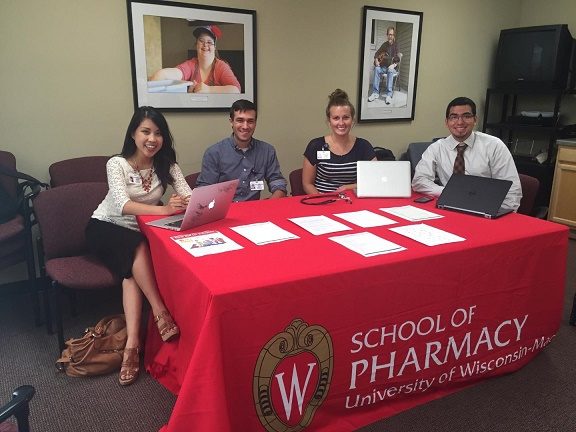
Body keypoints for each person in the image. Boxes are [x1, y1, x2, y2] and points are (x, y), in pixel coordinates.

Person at [85, 106, 192, 386]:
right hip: (105, 226)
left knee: (130, 272)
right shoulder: (116, 164)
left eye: (158, 133)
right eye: (146, 131)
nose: (152, 139)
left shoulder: (166, 164)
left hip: (141, 231)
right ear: (133, 133)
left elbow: (189, 196)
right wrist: (166, 210)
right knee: (137, 248)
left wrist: (194, 204)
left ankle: (132, 345)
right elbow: (122, 205)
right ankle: (159, 311)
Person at [412, 96, 522, 211]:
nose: (460, 122)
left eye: (466, 116)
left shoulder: (494, 146)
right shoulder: (437, 148)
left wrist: (500, 214)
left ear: (475, 120)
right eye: (454, 117)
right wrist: (449, 192)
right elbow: (419, 181)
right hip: (451, 205)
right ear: (447, 122)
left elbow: (512, 190)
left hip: (485, 207)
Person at [196, 99, 288, 201]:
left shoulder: (267, 151)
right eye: (240, 120)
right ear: (231, 122)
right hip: (225, 212)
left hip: (255, 211)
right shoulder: (214, 153)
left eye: (250, 121)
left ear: (255, 123)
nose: (245, 126)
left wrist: (270, 204)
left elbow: (278, 183)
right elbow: (204, 191)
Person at [303, 89, 376, 194]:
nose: (341, 123)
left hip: (353, 203)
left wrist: (349, 187)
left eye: (346, 117)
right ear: (329, 121)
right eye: (336, 118)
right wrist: (321, 200)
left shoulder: (363, 146)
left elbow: (374, 179)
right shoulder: (316, 146)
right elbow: (307, 184)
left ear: (352, 120)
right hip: (322, 202)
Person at [150, 25, 241, 94]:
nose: (205, 45)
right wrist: (159, 75)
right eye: (201, 41)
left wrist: (209, 89)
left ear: (214, 47)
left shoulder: (221, 66)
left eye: (209, 42)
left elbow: (236, 90)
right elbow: (171, 73)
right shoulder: (191, 64)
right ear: (196, 45)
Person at [368, 26, 401, 105]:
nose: (390, 36)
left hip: (392, 67)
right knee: (377, 69)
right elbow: (377, 54)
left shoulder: (396, 45)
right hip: (383, 67)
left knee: (390, 70)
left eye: (392, 34)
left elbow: (397, 58)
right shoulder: (384, 45)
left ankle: (388, 95)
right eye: (389, 34)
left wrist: (393, 65)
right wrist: (376, 60)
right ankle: (375, 93)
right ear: (387, 35)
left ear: (394, 36)